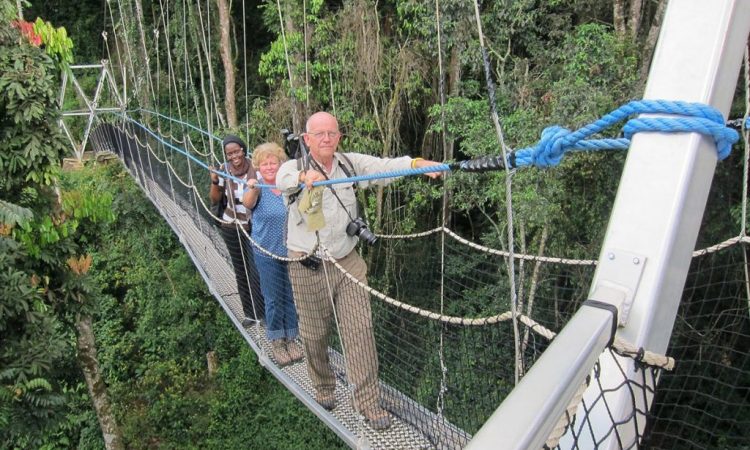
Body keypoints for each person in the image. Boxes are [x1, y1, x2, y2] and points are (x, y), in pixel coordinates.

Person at [276, 111, 442, 431]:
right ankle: (324, 385)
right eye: (319, 134)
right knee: (314, 335)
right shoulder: (293, 167)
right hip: (307, 264)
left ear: (339, 137)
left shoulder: (348, 164)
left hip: (347, 260)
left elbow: (382, 167)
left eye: (331, 133)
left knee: (360, 331)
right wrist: (302, 179)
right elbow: (279, 179)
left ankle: (367, 401)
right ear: (307, 139)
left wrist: (416, 164)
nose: (326, 139)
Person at [242, 142, 303, 367]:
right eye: (264, 163)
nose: (269, 167)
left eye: (273, 163)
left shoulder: (288, 187)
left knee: (290, 295)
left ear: (280, 164)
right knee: (274, 298)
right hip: (266, 251)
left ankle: (291, 337)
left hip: (290, 251)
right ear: (258, 166)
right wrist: (253, 188)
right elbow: (247, 203)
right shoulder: (257, 186)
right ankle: (277, 340)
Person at [209, 135, 265, 326]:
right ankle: (250, 313)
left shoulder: (255, 169)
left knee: (256, 270)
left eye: (236, 151)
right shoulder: (224, 170)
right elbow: (215, 199)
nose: (234, 156)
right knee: (241, 270)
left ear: (243, 149)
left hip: (253, 227)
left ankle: (263, 314)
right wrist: (215, 181)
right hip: (230, 226)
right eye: (229, 153)